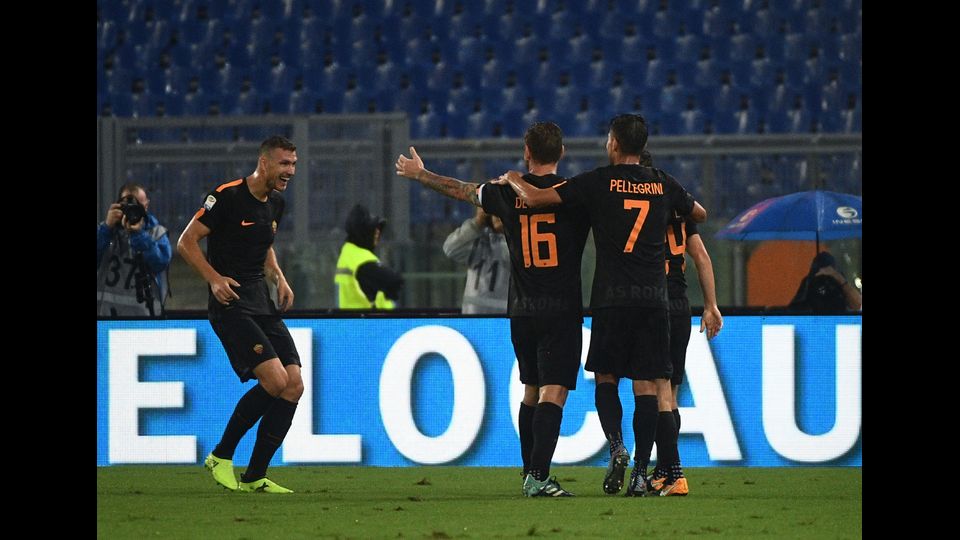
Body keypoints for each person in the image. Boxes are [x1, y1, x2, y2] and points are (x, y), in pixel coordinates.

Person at [500, 114, 706, 498]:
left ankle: (616, 446)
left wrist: (512, 177)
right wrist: (671, 208)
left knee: (607, 379)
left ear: (613, 144)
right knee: (649, 386)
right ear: (641, 148)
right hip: (653, 300)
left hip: (611, 300)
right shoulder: (663, 182)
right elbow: (700, 214)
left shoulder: (597, 182)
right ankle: (643, 474)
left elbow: (536, 197)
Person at [397, 122, 591, 497]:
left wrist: (420, 174)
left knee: (532, 391)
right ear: (562, 153)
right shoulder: (575, 193)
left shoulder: (503, 193)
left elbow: (460, 190)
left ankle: (528, 473)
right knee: (554, 393)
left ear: (526, 152)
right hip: (561, 308)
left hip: (520, 309)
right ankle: (538, 476)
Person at [177, 135, 303, 494]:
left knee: (293, 384)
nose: (290, 171)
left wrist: (279, 276)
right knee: (275, 381)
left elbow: (265, 245)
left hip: (260, 301)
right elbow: (185, 242)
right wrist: (213, 279)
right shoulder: (227, 196)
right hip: (230, 303)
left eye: (293, 165)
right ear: (264, 163)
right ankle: (220, 455)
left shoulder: (276, 204)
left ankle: (255, 476)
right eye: (284, 164)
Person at [642, 151, 723, 496]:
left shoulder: (637, 208)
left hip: (652, 302)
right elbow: (701, 255)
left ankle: (675, 474)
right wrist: (711, 305)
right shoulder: (677, 207)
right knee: (671, 392)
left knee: (660, 390)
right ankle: (663, 471)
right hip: (680, 303)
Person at [97, 182, 172, 316]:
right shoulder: (105, 232)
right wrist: (106, 228)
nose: (132, 210)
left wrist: (139, 236)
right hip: (106, 315)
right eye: (127, 205)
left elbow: (160, 263)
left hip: (145, 315)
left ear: (146, 205)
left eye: (137, 205)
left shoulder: (157, 233)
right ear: (118, 205)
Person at [334, 203, 404, 309]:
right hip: (371, 322)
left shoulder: (348, 253)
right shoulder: (359, 257)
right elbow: (393, 280)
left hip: (355, 321)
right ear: (363, 232)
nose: (377, 233)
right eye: (373, 229)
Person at [442, 206, 510, 314]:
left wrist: (509, 230)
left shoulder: (522, 238)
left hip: (506, 318)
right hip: (473, 318)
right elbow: (450, 249)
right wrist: (477, 223)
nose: (498, 215)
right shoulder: (478, 237)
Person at [789, 251, 861, 312]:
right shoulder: (809, 282)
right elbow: (793, 311)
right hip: (813, 323)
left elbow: (858, 305)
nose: (824, 279)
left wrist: (838, 278)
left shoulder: (839, 281)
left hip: (838, 322)